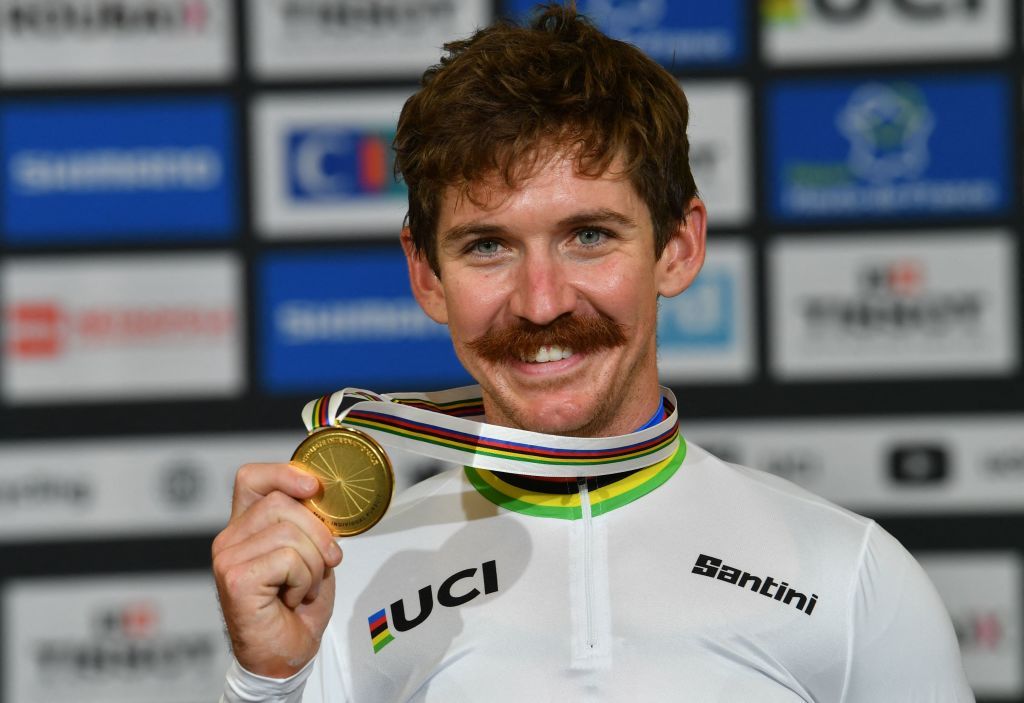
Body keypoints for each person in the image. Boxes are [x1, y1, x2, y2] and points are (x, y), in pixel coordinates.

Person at [213, 4, 973, 701]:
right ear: (426, 275)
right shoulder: (346, 582)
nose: (543, 302)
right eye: (487, 246)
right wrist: (270, 683)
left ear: (678, 246)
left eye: (589, 236)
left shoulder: (852, 576)